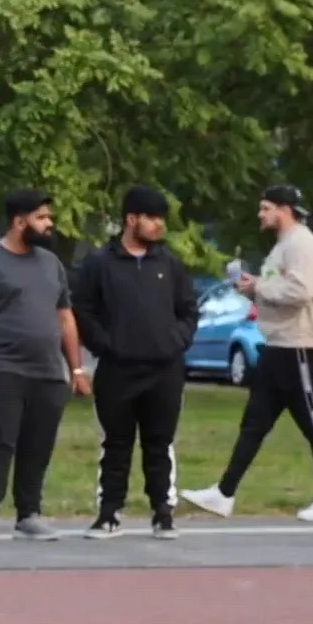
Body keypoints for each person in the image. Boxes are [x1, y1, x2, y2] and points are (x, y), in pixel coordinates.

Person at [181, 185, 313, 523]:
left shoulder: (302, 244)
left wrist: (260, 287)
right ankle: (224, 493)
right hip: (276, 345)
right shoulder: (283, 247)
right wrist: (254, 288)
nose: (261, 214)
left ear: (284, 209)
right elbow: (277, 292)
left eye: (266, 207)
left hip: (299, 345)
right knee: (254, 422)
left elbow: (300, 291)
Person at [0, 189, 91, 543]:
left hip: (48, 374)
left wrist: (76, 369)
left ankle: (29, 514)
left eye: (49, 217)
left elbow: (65, 317)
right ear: (19, 221)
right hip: (0, 371)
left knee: (38, 445)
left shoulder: (51, 264)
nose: (49, 224)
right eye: (42, 218)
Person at [72, 186, 198, 540]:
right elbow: (84, 311)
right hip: (117, 370)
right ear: (132, 219)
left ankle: (163, 512)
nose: (159, 225)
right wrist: (107, 346)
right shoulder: (100, 263)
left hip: (164, 370)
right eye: (152, 218)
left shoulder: (170, 264)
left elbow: (188, 311)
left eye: (162, 218)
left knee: (160, 442)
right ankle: (109, 513)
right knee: (116, 443)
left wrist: (175, 341)